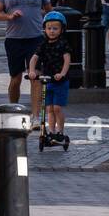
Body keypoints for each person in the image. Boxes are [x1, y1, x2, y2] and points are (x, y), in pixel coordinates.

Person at [30, 11, 72, 144]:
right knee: (48, 109)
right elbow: (34, 58)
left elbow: (67, 60)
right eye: (49, 28)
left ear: (61, 29)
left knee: (57, 108)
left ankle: (60, 131)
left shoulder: (63, 43)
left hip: (60, 81)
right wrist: (32, 71)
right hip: (47, 80)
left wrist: (62, 74)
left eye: (55, 28)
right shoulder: (44, 44)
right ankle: (51, 131)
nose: (52, 31)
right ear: (45, 29)